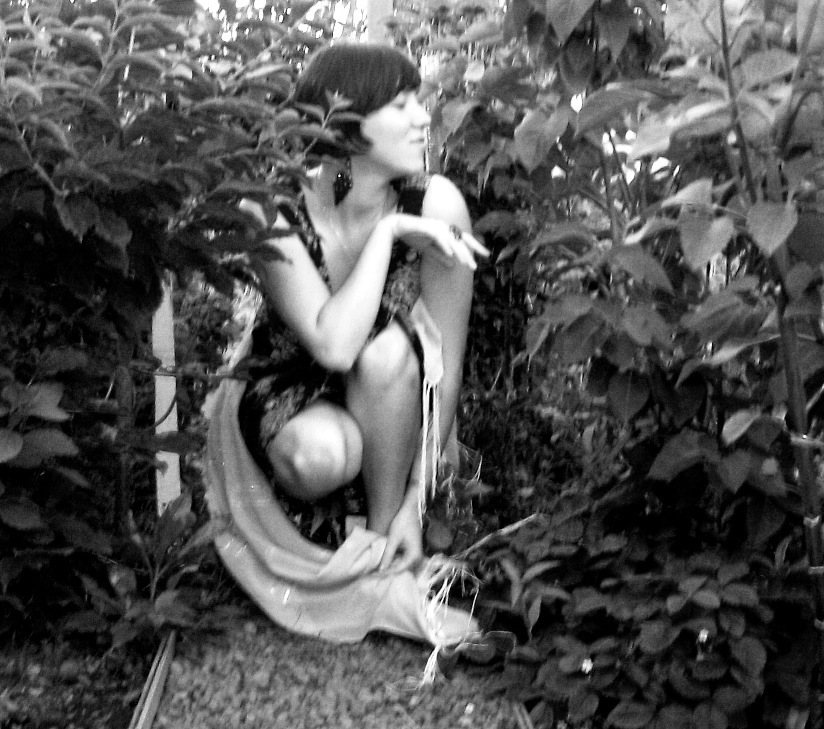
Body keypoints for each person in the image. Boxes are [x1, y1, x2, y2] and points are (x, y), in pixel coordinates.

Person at [236, 42, 488, 579]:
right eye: (401, 105)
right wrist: (388, 232)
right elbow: (333, 347)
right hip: (294, 382)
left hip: (395, 391)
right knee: (319, 457)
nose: (423, 119)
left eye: (418, 101)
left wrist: (417, 499)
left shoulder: (437, 205)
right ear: (345, 121)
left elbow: (446, 368)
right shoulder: (270, 207)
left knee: (388, 353)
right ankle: (321, 518)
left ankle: (383, 544)